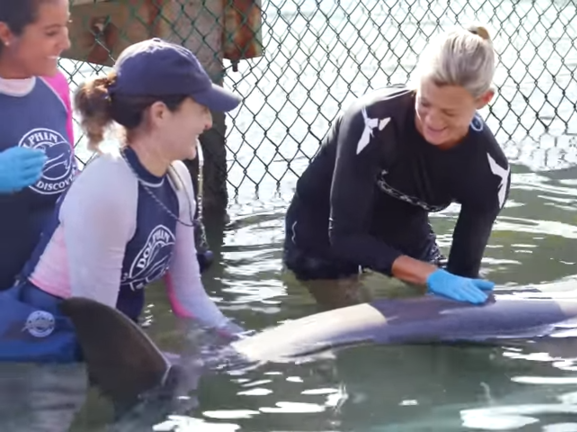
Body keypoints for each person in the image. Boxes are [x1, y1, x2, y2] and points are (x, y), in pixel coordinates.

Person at [0, 37, 244, 363]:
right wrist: (185, 364)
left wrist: (242, 340)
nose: (208, 122)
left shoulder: (178, 178)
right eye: (201, 109)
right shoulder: (109, 187)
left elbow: (189, 298)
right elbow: (99, 332)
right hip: (42, 343)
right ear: (160, 113)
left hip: (109, 338)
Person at [282, 25, 511, 305]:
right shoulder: (371, 121)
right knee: (344, 314)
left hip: (402, 225)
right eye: (424, 103)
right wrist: (429, 275)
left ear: (484, 100)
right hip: (325, 223)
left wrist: (438, 277)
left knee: (454, 306)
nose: (432, 122)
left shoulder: (491, 171)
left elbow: (463, 271)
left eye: (449, 112)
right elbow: (345, 236)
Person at [0, 0, 77, 291]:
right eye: (50, 32)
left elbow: (65, 172)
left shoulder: (55, 85)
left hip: (46, 288)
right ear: (6, 33)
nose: (66, 43)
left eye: (66, 27)